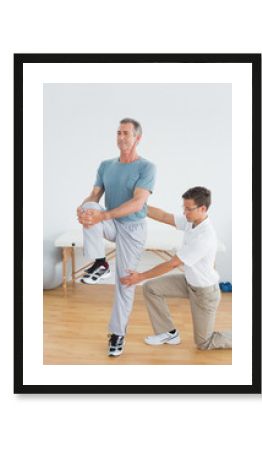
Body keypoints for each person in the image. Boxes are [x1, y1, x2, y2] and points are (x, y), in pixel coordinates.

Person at [77, 118, 156, 357]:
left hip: (132, 229)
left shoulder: (146, 167)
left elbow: (137, 203)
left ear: (137, 138)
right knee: (89, 206)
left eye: (127, 134)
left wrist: (103, 216)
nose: (121, 137)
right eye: (119, 133)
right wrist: (82, 210)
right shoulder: (106, 165)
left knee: (125, 282)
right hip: (111, 224)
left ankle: (117, 333)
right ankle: (99, 262)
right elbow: (94, 194)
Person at [120, 186, 232, 350]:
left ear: (203, 208)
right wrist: (138, 205)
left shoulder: (205, 237)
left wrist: (140, 276)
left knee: (203, 343)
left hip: (204, 292)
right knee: (152, 288)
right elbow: (164, 216)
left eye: (188, 209)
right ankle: (168, 332)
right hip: (189, 283)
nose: (185, 212)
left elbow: (172, 263)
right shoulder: (191, 221)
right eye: (184, 208)